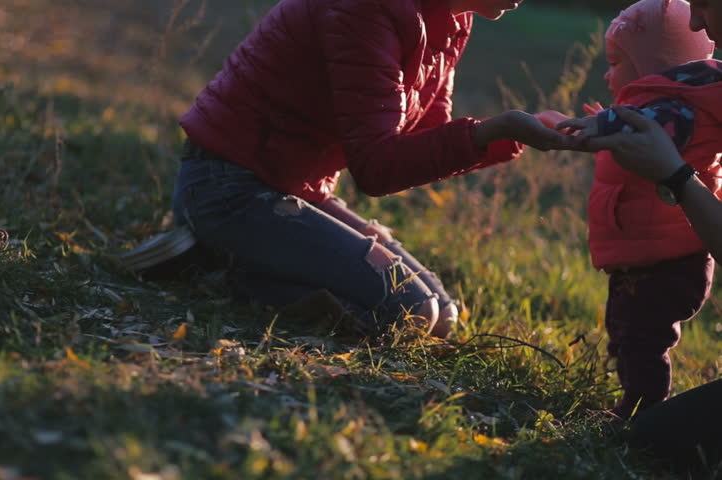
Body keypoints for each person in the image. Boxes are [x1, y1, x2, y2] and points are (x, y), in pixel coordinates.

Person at [172, 0, 574, 336]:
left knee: (441, 317)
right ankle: (216, 269)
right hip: (229, 186)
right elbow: (377, 168)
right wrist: (493, 130)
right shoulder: (366, 8)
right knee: (408, 314)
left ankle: (231, 255)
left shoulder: (452, 18)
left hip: (293, 190)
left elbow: (426, 135)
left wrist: (510, 135)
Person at [555, 0, 722, 469]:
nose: (697, 21)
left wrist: (595, 127)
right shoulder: (678, 98)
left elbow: (657, 127)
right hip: (648, 253)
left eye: (707, 3)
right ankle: (638, 402)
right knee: (631, 332)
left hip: (666, 257)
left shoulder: (673, 106)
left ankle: (640, 405)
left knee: (644, 341)